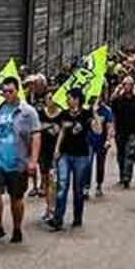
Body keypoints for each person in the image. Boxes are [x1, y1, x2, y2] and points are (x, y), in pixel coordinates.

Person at [0, 77, 41, 244]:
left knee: (16, 197)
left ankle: (17, 228)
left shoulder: (28, 112)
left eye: (10, 91)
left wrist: (33, 161)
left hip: (18, 161)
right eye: (4, 91)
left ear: (17, 91)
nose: (7, 94)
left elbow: (36, 136)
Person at [48, 89, 101, 231]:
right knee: (62, 185)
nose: (67, 100)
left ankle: (77, 217)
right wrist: (57, 149)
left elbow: (98, 130)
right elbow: (61, 132)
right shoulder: (64, 114)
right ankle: (57, 219)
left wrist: (95, 113)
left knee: (78, 189)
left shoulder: (86, 114)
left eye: (70, 98)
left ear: (77, 99)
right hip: (65, 154)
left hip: (81, 156)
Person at [110, 76, 135, 187]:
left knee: (129, 154)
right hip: (120, 131)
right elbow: (113, 115)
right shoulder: (117, 100)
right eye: (125, 84)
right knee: (120, 154)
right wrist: (113, 129)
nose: (127, 87)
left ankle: (127, 177)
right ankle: (122, 175)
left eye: (130, 84)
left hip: (132, 131)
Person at [36, 99, 62, 221]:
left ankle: (54, 208)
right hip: (44, 152)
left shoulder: (62, 114)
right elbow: (37, 128)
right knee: (46, 180)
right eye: (48, 98)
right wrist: (49, 125)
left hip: (56, 153)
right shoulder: (41, 112)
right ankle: (48, 207)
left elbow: (64, 131)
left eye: (52, 98)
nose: (50, 100)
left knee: (54, 181)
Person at [86, 93, 114, 198]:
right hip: (89, 141)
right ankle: (86, 186)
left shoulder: (106, 111)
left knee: (100, 164)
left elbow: (109, 126)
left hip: (101, 141)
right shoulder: (86, 110)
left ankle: (99, 184)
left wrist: (108, 140)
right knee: (87, 164)